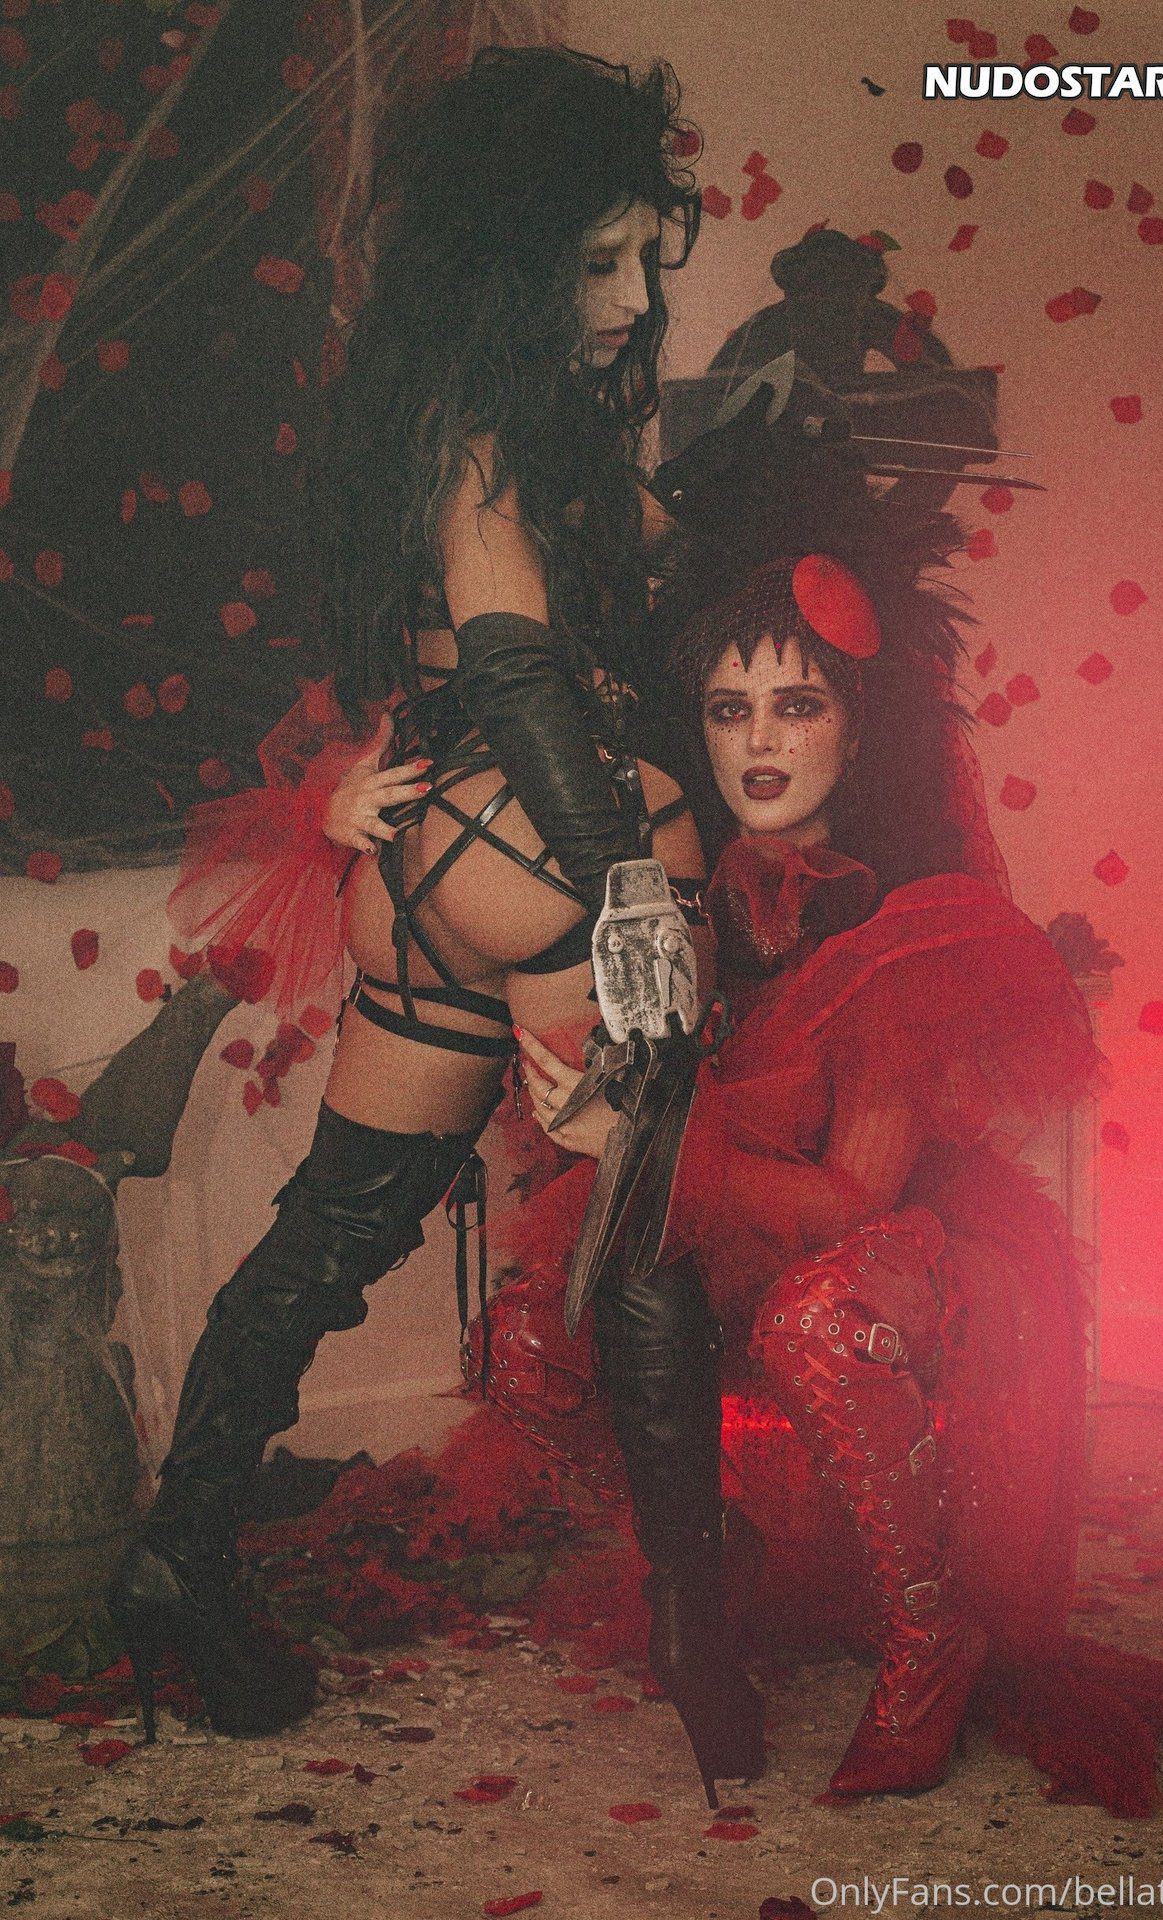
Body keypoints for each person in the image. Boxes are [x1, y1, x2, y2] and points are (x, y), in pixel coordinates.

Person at [108, 45, 762, 1775]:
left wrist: (345, 775)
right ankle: (699, 1637)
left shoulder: (420, 414)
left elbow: (424, 652)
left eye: (645, 259)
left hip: (417, 878)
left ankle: (178, 1556)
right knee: (639, 1224)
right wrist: (634, 901)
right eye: (597, 263)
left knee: (336, 1226)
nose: (631, 300)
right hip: (552, 848)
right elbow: (525, 675)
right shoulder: (496, 430)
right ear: (509, 262)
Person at [474, 523, 1163, 1815]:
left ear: (857, 733)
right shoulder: (680, 894)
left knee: (815, 1316)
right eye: (730, 709)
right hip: (744, 1212)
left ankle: (930, 1629)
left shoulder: (915, 921)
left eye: (798, 706)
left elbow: (853, 1202)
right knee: (525, 1335)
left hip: (918, 1241)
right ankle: (719, 1557)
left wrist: (642, 1144)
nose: (760, 741)